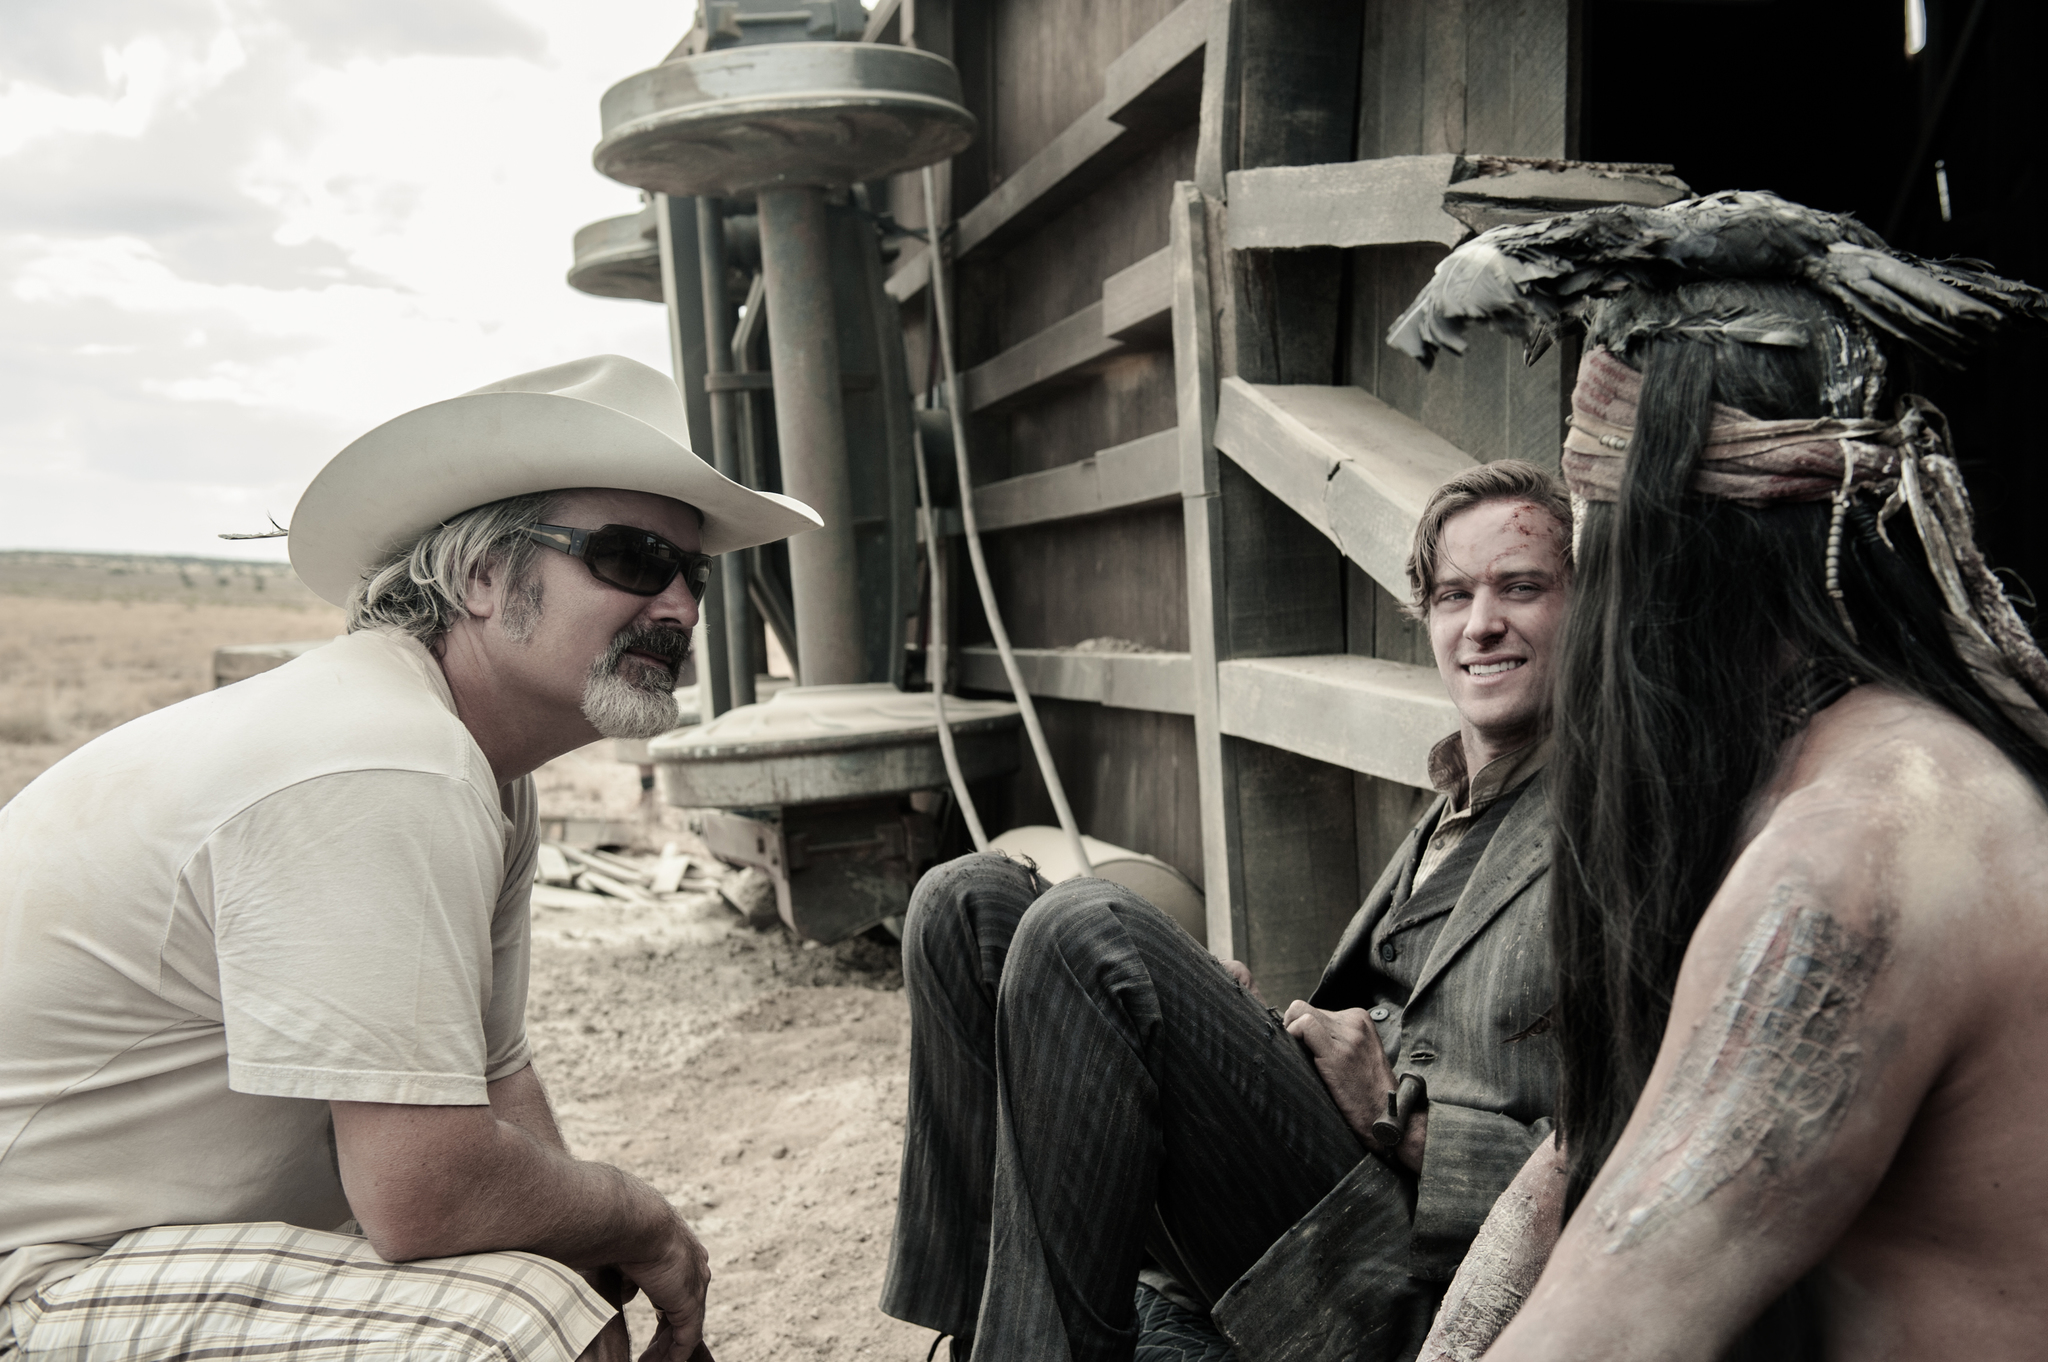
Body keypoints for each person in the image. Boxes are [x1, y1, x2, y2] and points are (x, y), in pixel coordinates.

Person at [0, 355, 821, 1361]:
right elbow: (422, 1190)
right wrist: (637, 1224)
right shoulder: (388, 762)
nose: (681, 608)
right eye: (634, 560)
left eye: (694, 573)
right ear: (481, 576)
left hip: (119, 1247)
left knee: (559, 1295)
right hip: (33, 1276)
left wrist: (589, 1258)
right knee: (516, 1332)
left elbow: (490, 1074)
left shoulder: (467, 760)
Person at [1389, 191, 2048, 1360]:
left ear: (1657, 556)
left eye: (1583, 545)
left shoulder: (1852, 860)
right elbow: (1578, 1168)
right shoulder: (1800, 779)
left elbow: (1600, 1337)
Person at [881, 459, 1574, 1361]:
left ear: (1588, 605)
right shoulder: (1454, 807)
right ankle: (975, 1334)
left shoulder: (1620, 827)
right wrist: (1234, 1028)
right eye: (1453, 596)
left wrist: (1402, 1122)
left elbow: (1624, 1165)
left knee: (1092, 932)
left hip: (1405, 1276)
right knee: (964, 901)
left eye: (1520, 588)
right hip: (1321, 1181)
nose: (1482, 623)